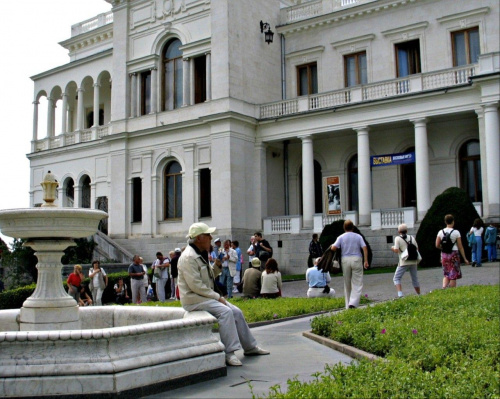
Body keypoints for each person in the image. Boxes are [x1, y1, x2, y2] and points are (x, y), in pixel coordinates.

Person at [177, 222, 270, 367]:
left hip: (204, 297)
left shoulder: (199, 253)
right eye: (208, 235)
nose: (211, 237)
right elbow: (195, 286)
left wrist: (217, 267)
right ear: (199, 238)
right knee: (226, 312)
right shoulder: (188, 257)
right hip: (194, 300)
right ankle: (229, 353)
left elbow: (206, 279)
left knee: (236, 312)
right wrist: (217, 297)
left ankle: (250, 347)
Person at [330, 219, 369, 309]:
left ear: (344, 228)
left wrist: (332, 246)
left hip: (345, 260)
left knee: (347, 283)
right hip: (356, 259)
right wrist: (365, 260)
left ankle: (348, 305)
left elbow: (333, 248)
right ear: (353, 227)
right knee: (357, 282)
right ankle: (353, 302)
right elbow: (364, 248)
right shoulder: (358, 236)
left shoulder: (341, 237)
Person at [436, 214, 470, 288]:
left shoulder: (440, 232)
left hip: (444, 254)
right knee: (453, 274)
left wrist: (443, 248)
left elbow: (437, 245)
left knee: (446, 273)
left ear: (445, 222)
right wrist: (465, 258)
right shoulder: (456, 232)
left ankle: (444, 287)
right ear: (453, 221)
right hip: (454, 254)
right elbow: (460, 246)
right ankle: (452, 291)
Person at [390, 223, 420, 298]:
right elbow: (417, 248)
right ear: (406, 230)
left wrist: (392, 248)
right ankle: (419, 295)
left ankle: (400, 295)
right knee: (415, 278)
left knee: (396, 278)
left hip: (404, 261)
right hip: (413, 261)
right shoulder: (411, 237)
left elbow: (396, 250)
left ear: (398, 231)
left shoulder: (397, 238)